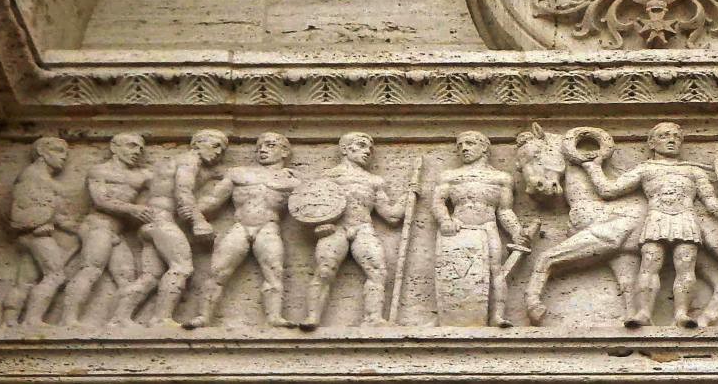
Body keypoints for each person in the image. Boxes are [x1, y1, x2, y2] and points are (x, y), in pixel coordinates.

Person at [582, 121, 718, 327]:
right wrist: (594, 169)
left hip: (686, 218)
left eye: (676, 137)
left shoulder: (692, 171)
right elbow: (609, 190)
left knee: (686, 265)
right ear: (651, 143)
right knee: (649, 264)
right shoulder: (646, 169)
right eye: (664, 136)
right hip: (657, 218)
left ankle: (681, 314)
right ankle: (644, 313)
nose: (671, 140)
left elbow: (709, 200)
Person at [112, 128, 228, 326]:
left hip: (150, 224)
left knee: (151, 276)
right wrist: (198, 221)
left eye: (222, 150)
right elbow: (183, 192)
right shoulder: (190, 161)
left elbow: (209, 175)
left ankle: (118, 319)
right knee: (182, 267)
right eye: (215, 146)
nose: (218, 153)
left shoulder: (178, 162)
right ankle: (161, 318)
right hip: (162, 221)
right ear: (197, 144)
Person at [186, 132, 300, 328]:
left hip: (268, 227)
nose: (263, 150)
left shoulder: (293, 181)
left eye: (270, 145)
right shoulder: (239, 173)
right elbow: (213, 200)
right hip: (240, 226)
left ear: (285, 152)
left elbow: (313, 206)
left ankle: (274, 317)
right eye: (259, 146)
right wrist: (192, 213)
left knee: (274, 272)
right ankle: (203, 317)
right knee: (218, 270)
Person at [301, 132, 408, 327]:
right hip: (336, 229)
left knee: (378, 271)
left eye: (370, 148)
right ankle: (313, 317)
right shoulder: (328, 177)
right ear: (344, 149)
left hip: (363, 229)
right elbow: (309, 208)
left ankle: (373, 318)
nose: (367, 151)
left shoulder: (374, 181)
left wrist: (408, 195)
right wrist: (318, 226)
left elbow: (391, 216)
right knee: (324, 271)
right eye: (361, 145)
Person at [431, 130, 528, 326]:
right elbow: (438, 202)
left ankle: (497, 315)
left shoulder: (501, 178)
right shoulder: (450, 176)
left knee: (496, 271)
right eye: (459, 146)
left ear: (484, 147)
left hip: (487, 228)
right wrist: (445, 220)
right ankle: (449, 314)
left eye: (469, 143)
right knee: (454, 272)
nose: (463, 148)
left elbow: (505, 211)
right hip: (457, 230)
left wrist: (516, 231)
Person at [57, 133, 151, 325]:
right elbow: (100, 201)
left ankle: (120, 319)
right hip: (97, 225)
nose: (137, 152)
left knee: (127, 276)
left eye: (140, 149)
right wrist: (133, 209)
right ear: (115, 147)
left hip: (115, 231)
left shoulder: (141, 175)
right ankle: (68, 319)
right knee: (91, 270)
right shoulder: (100, 171)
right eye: (132, 146)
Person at [2, 137, 78, 326]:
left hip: (33, 235)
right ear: (43, 152)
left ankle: (8, 321)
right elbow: (21, 210)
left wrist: (75, 228)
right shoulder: (34, 176)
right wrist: (43, 220)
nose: (64, 157)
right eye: (59, 151)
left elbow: (56, 214)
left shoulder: (40, 177)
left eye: (66, 152)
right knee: (56, 274)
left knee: (25, 281)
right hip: (37, 235)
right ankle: (32, 319)